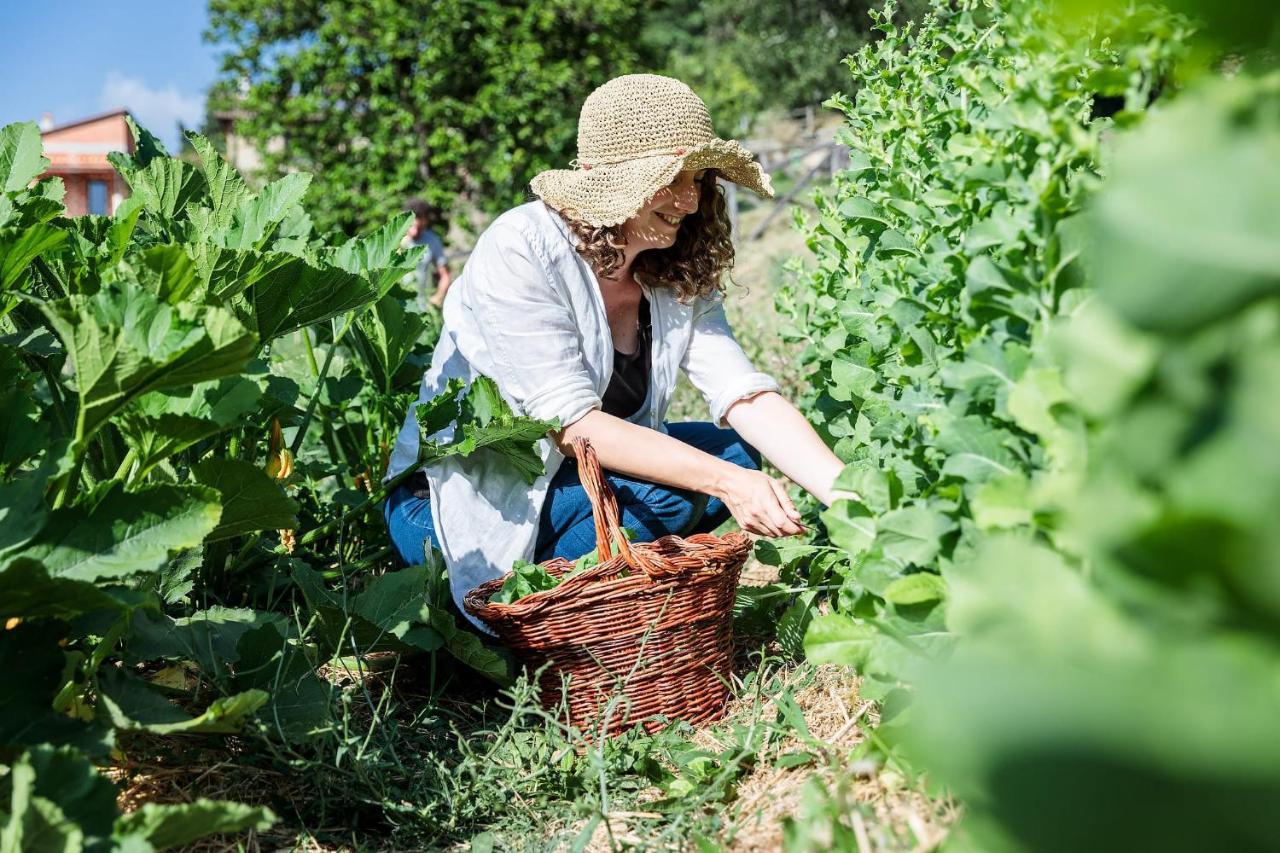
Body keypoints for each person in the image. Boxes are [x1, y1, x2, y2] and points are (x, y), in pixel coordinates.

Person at [383, 74, 846, 627]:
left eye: (699, 180)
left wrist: (852, 502)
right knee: (694, 484)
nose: (690, 199)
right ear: (618, 183)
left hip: (577, 483)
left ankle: (583, 596)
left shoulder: (671, 266)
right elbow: (573, 427)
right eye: (671, 179)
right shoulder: (523, 249)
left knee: (735, 451)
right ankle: (513, 607)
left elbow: (743, 395)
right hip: (465, 501)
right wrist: (727, 485)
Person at [403, 198, 452, 308]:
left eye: (419, 227)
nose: (415, 231)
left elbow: (445, 275)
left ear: (426, 221)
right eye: (413, 226)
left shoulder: (432, 241)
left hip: (422, 306)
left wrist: (437, 297)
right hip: (398, 306)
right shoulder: (396, 239)